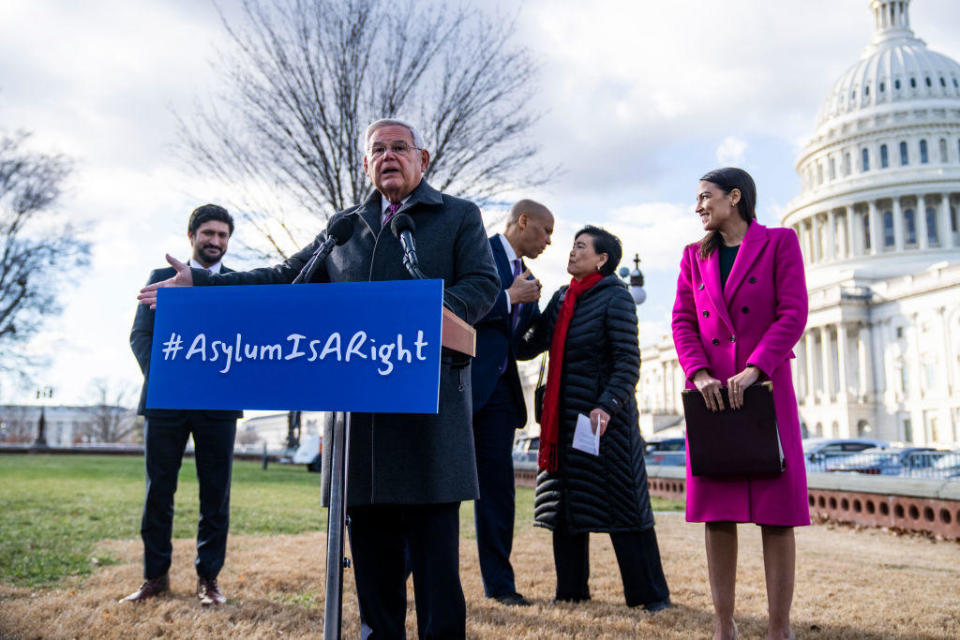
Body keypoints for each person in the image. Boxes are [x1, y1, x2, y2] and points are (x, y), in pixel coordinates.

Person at [138, 119, 500, 638]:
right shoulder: (344, 227)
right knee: (374, 572)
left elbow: (483, 284)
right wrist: (203, 284)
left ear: (424, 159)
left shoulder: (459, 217)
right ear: (366, 163)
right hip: (361, 426)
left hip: (429, 415)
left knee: (436, 570)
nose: (388, 156)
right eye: (378, 149)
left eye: (400, 148)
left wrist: (426, 317)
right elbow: (285, 278)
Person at [671, 167, 808, 640]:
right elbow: (683, 321)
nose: (698, 207)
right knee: (717, 511)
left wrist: (756, 368)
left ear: (735, 197)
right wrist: (700, 372)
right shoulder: (693, 257)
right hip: (713, 397)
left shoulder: (780, 243)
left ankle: (778, 628)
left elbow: (793, 313)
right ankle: (723, 624)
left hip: (765, 390)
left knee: (777, 513)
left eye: (705, 197)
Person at [517, 225, 671, 610]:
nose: (571, 252)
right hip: (563, 425)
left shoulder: (616, 298)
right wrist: (525, 305)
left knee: (625, 509)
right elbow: (528, 348)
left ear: (601, 259)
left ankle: (649, 596)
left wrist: (606, 405)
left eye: (580, 247)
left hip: (606, 425)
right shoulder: (562, 298)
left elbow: (627, 362)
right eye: (572, 246)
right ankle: (570, 592)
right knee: (566, 510)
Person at [124, 204, 241, 606]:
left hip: (219, 403)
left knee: (216, 495)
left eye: (223, 235)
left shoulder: (239, 285)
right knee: (159, 492)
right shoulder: (162, 280)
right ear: (191, 236)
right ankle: (154, 578)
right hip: (166, 400)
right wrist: (167, 379)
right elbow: (141, 337)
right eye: (208, 233)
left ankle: (209, 580)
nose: (215, 241)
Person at [470, 199, 553, 606]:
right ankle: (400, 576)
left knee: (498, 492)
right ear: (523, 221)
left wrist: (550, 318)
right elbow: (453, 308)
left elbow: (518, 346)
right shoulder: (473, 252)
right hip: (461, 388)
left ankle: (500, 586)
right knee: (439, 489)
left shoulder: (530, 277)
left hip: (503, 395)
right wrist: (508, 297)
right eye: (545, 231)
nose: (550, 241)